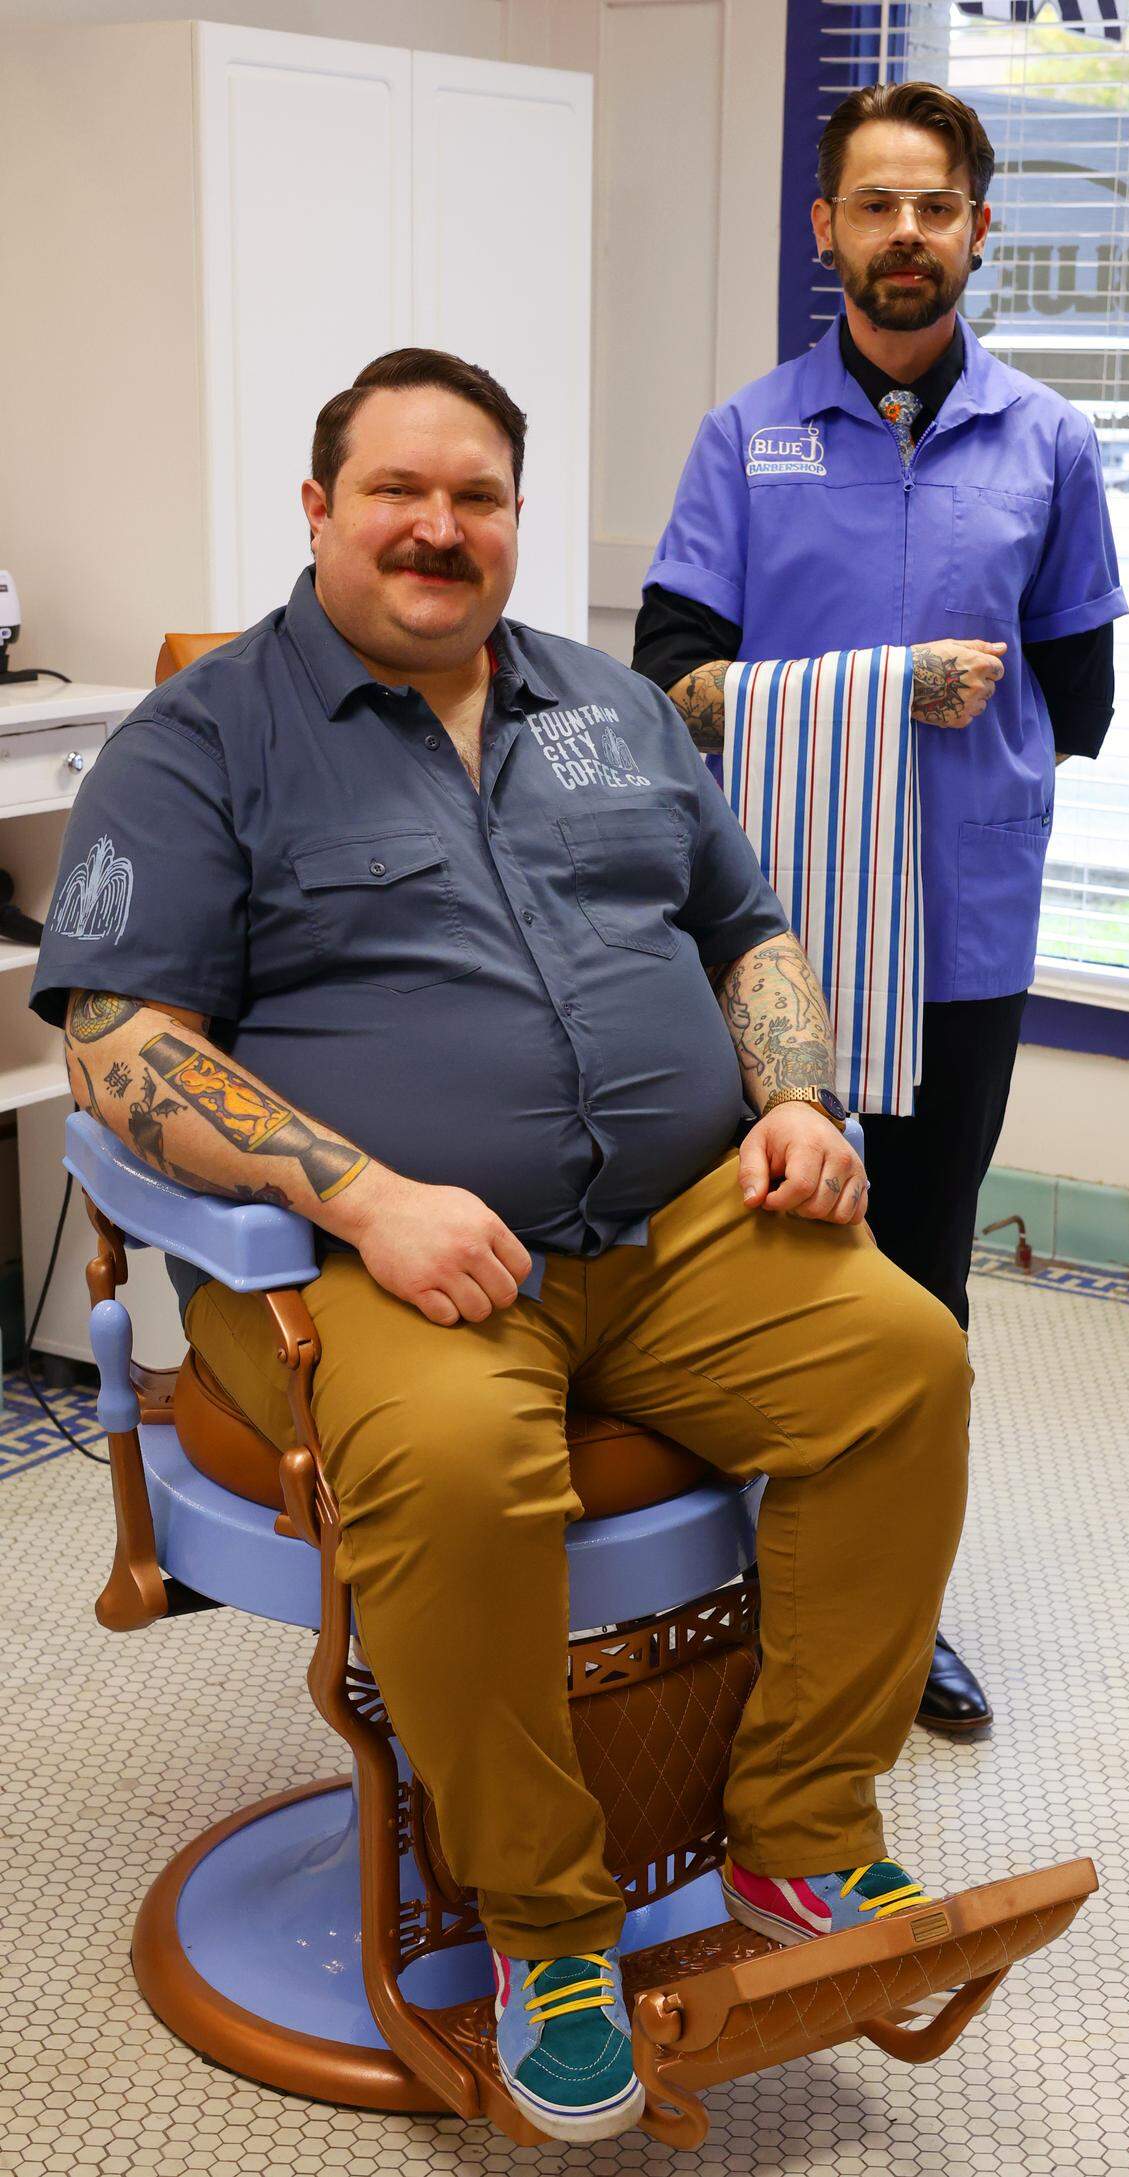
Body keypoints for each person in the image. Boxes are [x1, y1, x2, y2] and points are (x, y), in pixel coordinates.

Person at [33, 348, 972, 2144]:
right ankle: (549, 1928)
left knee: (903, 1362)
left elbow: (750, 925)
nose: (437, 527)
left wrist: (798, 1098)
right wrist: (366, 1193)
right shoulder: (205, 738)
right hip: (373, 1263)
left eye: (478, 495)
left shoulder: (615, 706)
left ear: (519, 520)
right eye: (398, 490)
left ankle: (794, 1837)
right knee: (464, 1461)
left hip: (690, 1229)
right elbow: (120, 1043)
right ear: (319, 510)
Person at [634, 80, 1126, 1740]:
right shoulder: (748, 435)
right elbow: (665, 691)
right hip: (765, 941)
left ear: (979, 232)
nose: (903, 235)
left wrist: (949, 773)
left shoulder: (1050, 443)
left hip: (966, 937)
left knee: (918, 1281)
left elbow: (1084, 701)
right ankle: (716, 1595)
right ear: (825, 228)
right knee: (748, 1262)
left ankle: (893, 1618)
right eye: (874, 205)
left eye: (936, 207)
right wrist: (870, 695)